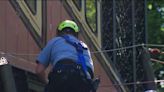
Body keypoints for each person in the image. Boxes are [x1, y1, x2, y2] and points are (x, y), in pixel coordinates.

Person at [35, 20, 99, 92]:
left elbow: (39, 70)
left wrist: (47, 83)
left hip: (61, 76)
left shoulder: (55, 41)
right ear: (76, 34)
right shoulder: (84, 46)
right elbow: (90, 71)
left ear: (59, 32)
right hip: (83, 81)